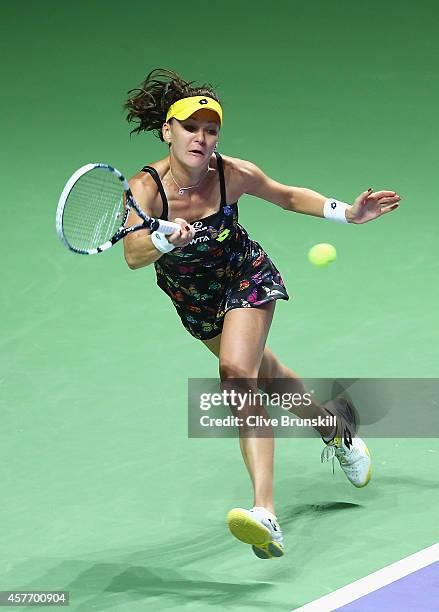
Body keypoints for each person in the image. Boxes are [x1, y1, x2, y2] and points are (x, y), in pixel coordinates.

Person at [122, 68, 401, 559]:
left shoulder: (232, 173)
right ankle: (336, 431)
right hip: (193, 300)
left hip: (246, 279)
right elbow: (133, 253)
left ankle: (264, 512)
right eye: (191, 128)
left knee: (235, 375)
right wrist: (164, 236)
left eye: (211, 130)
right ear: (168, 131)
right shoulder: (146, 189)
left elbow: (288, 195)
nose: (201, 138)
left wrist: (350, 214)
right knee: (267, 375)